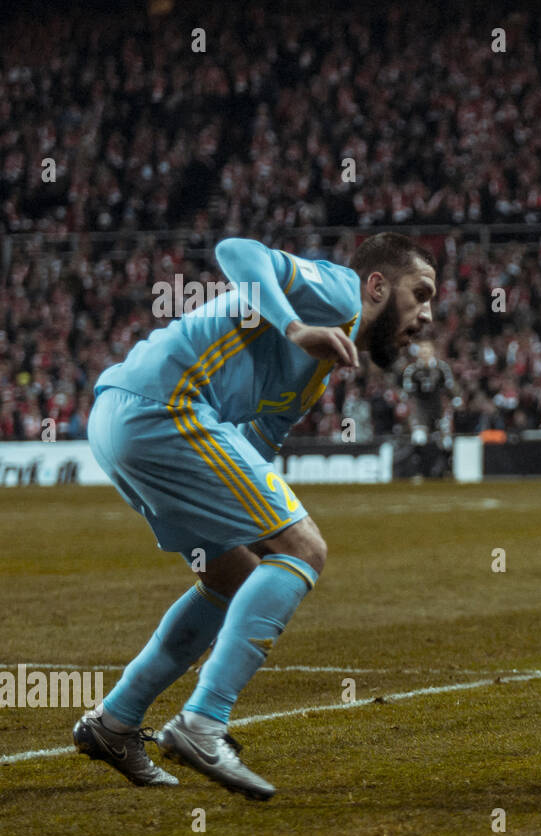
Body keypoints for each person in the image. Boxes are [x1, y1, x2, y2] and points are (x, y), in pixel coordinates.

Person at [73, 233, 436, 799]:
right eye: (421, 294)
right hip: (166, 406)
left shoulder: (322, 363)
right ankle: (202, 723)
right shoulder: (339, 293)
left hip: (125, 416)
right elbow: (237, 251)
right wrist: (295, 326)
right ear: (378, 286)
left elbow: (260, 441)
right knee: (306, 549)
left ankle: (114, 723)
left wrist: (254, 523)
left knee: (232, 576)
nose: (427, 315)